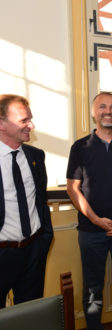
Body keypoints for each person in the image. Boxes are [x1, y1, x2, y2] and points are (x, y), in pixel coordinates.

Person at [66, 92, 112, 330]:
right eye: (103, 107)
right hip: (90, 230)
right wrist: (96, 220)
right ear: (93, 112)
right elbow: (72, 188)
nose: (109, 111)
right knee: (92, 286)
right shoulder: (80, 147)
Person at [0, 94, 53, 308]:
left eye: (30, 119)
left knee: (30, 315)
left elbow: (40, 200)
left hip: (33, 251)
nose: (31, 125)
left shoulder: (35, 156)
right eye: (24, 120)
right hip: (2, 253)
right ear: (2, 123)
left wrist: (45, 238)